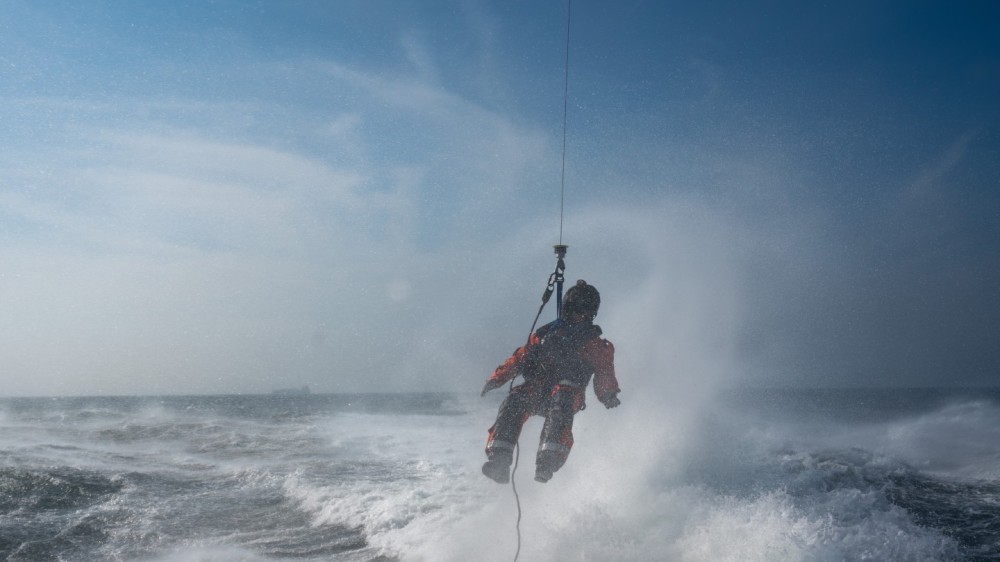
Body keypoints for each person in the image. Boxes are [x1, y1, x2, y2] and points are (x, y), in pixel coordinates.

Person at [480, 279, 621, 484]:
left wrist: (608, 394)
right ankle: (499, 461)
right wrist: (497, 378)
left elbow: (604, 372)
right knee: (514, 399)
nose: (578, 315)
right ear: (567, 308)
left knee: (562, 398)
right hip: (537, 390)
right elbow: (519, 358)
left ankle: (547, 462)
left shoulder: (596, 345)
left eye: (584, 311)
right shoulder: (545, 335)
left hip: (567, 394)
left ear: (591, 313)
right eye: (575, 309)